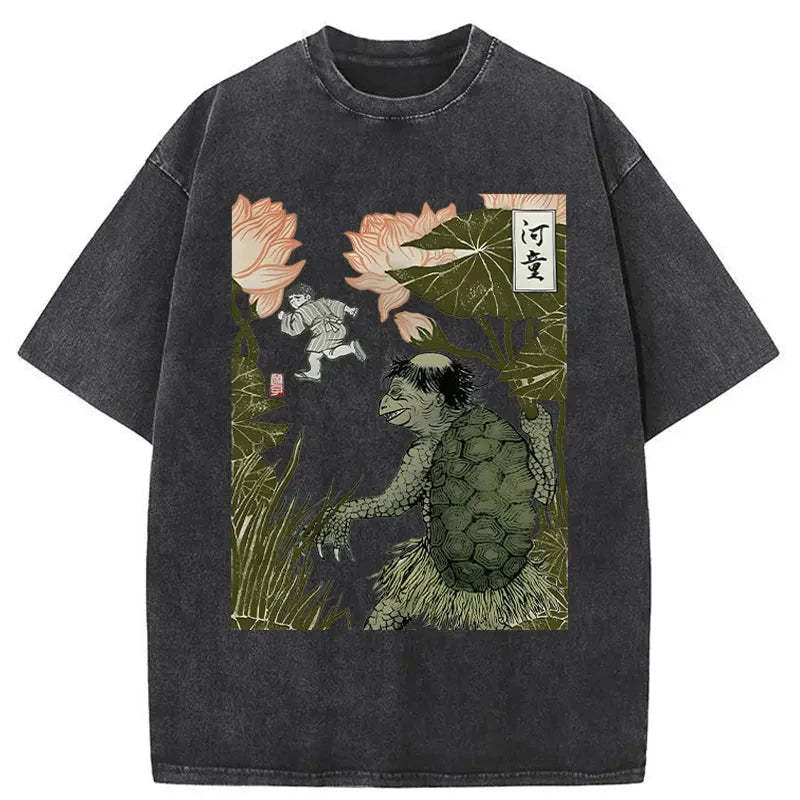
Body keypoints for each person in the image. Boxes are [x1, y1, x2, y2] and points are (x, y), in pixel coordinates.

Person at [277, 283, 366, 382]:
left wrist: (284, 317)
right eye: (291, 299)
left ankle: (314, 373)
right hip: (338, 327)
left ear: (307, 297)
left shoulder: (300, 312)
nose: (293, 301)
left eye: (297, 297)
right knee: (330, 353)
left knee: (314, 356)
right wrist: (349, 310)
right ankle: (351, 348)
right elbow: (336, 304)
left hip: (324, 332)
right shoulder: (321, 302)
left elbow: (295, 328)